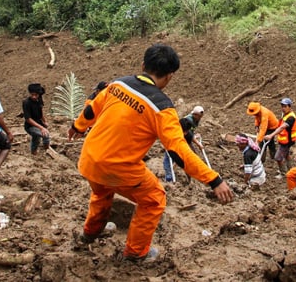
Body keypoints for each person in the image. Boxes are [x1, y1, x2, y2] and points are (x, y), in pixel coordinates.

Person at [67, 44, 234, 261]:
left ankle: (90, 233)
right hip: (118, 168)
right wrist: (214, 179)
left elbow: (92, 108)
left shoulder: (119, 84)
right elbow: (178, 150)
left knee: (101, 192)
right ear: (170, 76)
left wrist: (78, 126)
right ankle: (136, 252)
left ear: (143, 65)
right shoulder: (162, 108)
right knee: (154, 198)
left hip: (89, 159)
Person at [162, 105, 205, 182]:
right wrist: (198, 144)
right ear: (195, 114)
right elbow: (188, 134)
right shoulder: (186, 121)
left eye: (201, 116)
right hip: (174, 139)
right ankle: (169, 176)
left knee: (190, 157)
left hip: (184, 140)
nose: (200, 118)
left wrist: (194, 136)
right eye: (199, 116)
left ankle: (191, 177)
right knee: (170, 157)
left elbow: (189, 133)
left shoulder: (195, 121)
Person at [264, 98, 296, 175]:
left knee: (278, 157)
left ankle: (283, 173)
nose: (283, 108)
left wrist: (271, 135)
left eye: (285, 106)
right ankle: (291, 170)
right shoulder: (285, 114)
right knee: (286, 155)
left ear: (290, 107)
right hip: (285, 140)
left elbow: (282, 127)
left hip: (287, 141)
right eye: (282, 106)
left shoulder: (291, 118)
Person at [23, 83, 51, 155]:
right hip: (30, 126)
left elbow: (40, 111)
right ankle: (48, 152)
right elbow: (28, 119)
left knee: (36, 138)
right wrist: (41, 128)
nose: (34, 97)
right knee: (45, 134)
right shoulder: (26, 103)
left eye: (36, 95)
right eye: (32, 95)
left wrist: (44, 121)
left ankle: (33, 153)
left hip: (39, 123)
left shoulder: (39, 100)